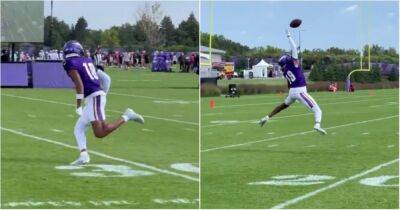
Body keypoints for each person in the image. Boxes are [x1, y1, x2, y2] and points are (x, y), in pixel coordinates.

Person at [62, 40, 145, 165]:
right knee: (78, 128)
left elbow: (79, 85)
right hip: (94, 98)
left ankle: (127, 115)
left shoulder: (69, 63)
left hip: (94, 98)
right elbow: (107, 79)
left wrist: (79, 105)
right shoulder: (88, 60)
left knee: (100, 132)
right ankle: (84, 155)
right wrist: (102, 94)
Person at [258, 29, 326, 135]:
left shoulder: (285, 70)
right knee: (318, 110)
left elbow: (289, 85)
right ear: (288, 60)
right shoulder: (293, 64)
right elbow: (294, 48)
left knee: (283, 105)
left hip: (292, 92)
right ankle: (317, 125)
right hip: (300, 91)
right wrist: (289, 36)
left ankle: (267, 117)